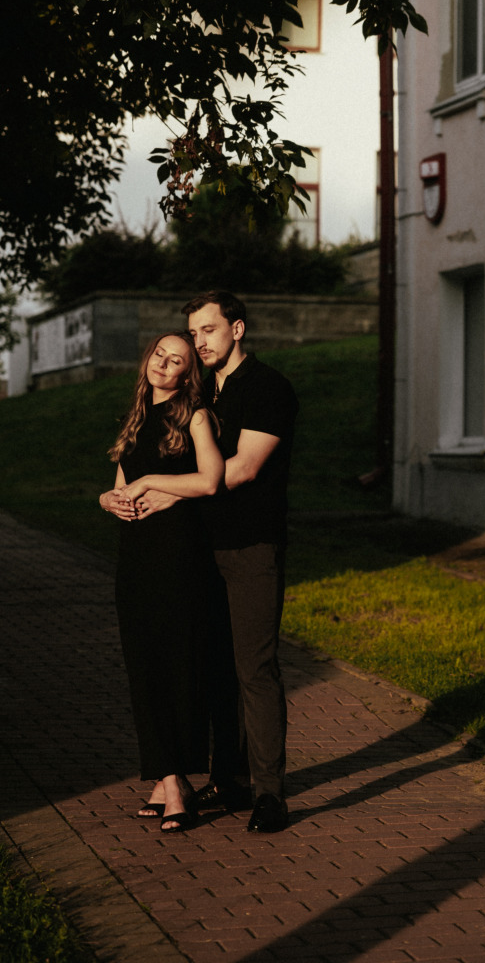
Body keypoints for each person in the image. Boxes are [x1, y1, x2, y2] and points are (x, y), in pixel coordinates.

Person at [137, 291, 299, 833]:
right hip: (198, 550)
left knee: (254, 668)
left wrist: (169, 492)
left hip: (251, 546)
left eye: (209, 329)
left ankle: (270, 793)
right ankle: (228, 778)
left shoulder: (269, 387)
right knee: (213, 669)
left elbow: (246, 468)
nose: (199, 340)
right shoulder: (203, 390)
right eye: (194, 331)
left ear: (238, 329)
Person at [99, 331, 224, 832]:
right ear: (148, 356)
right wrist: (105, 501)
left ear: (186, 374)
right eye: (159, 354)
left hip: (180, 559)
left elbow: (210, 480)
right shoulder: (136, 418)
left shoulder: (193, 416)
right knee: (143, 670)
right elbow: (118, 489)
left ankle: (173, 785)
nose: (164, 364)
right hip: (135, 561)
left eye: (177, 361)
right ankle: (167, 778)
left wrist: (152, 483)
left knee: (176, 668)